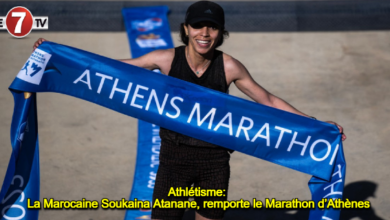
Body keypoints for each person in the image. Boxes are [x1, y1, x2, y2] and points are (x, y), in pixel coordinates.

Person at [33, 1, 346, 219]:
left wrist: (316, 124)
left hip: (214, 162)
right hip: (173, 159)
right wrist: (57, 55)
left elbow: (267, 100)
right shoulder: (166, 59)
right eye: (198, 26)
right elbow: (112, 69)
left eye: (212, 28)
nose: (205, 34)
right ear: (186, 28)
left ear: (220, 33)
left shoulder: (229, 65)